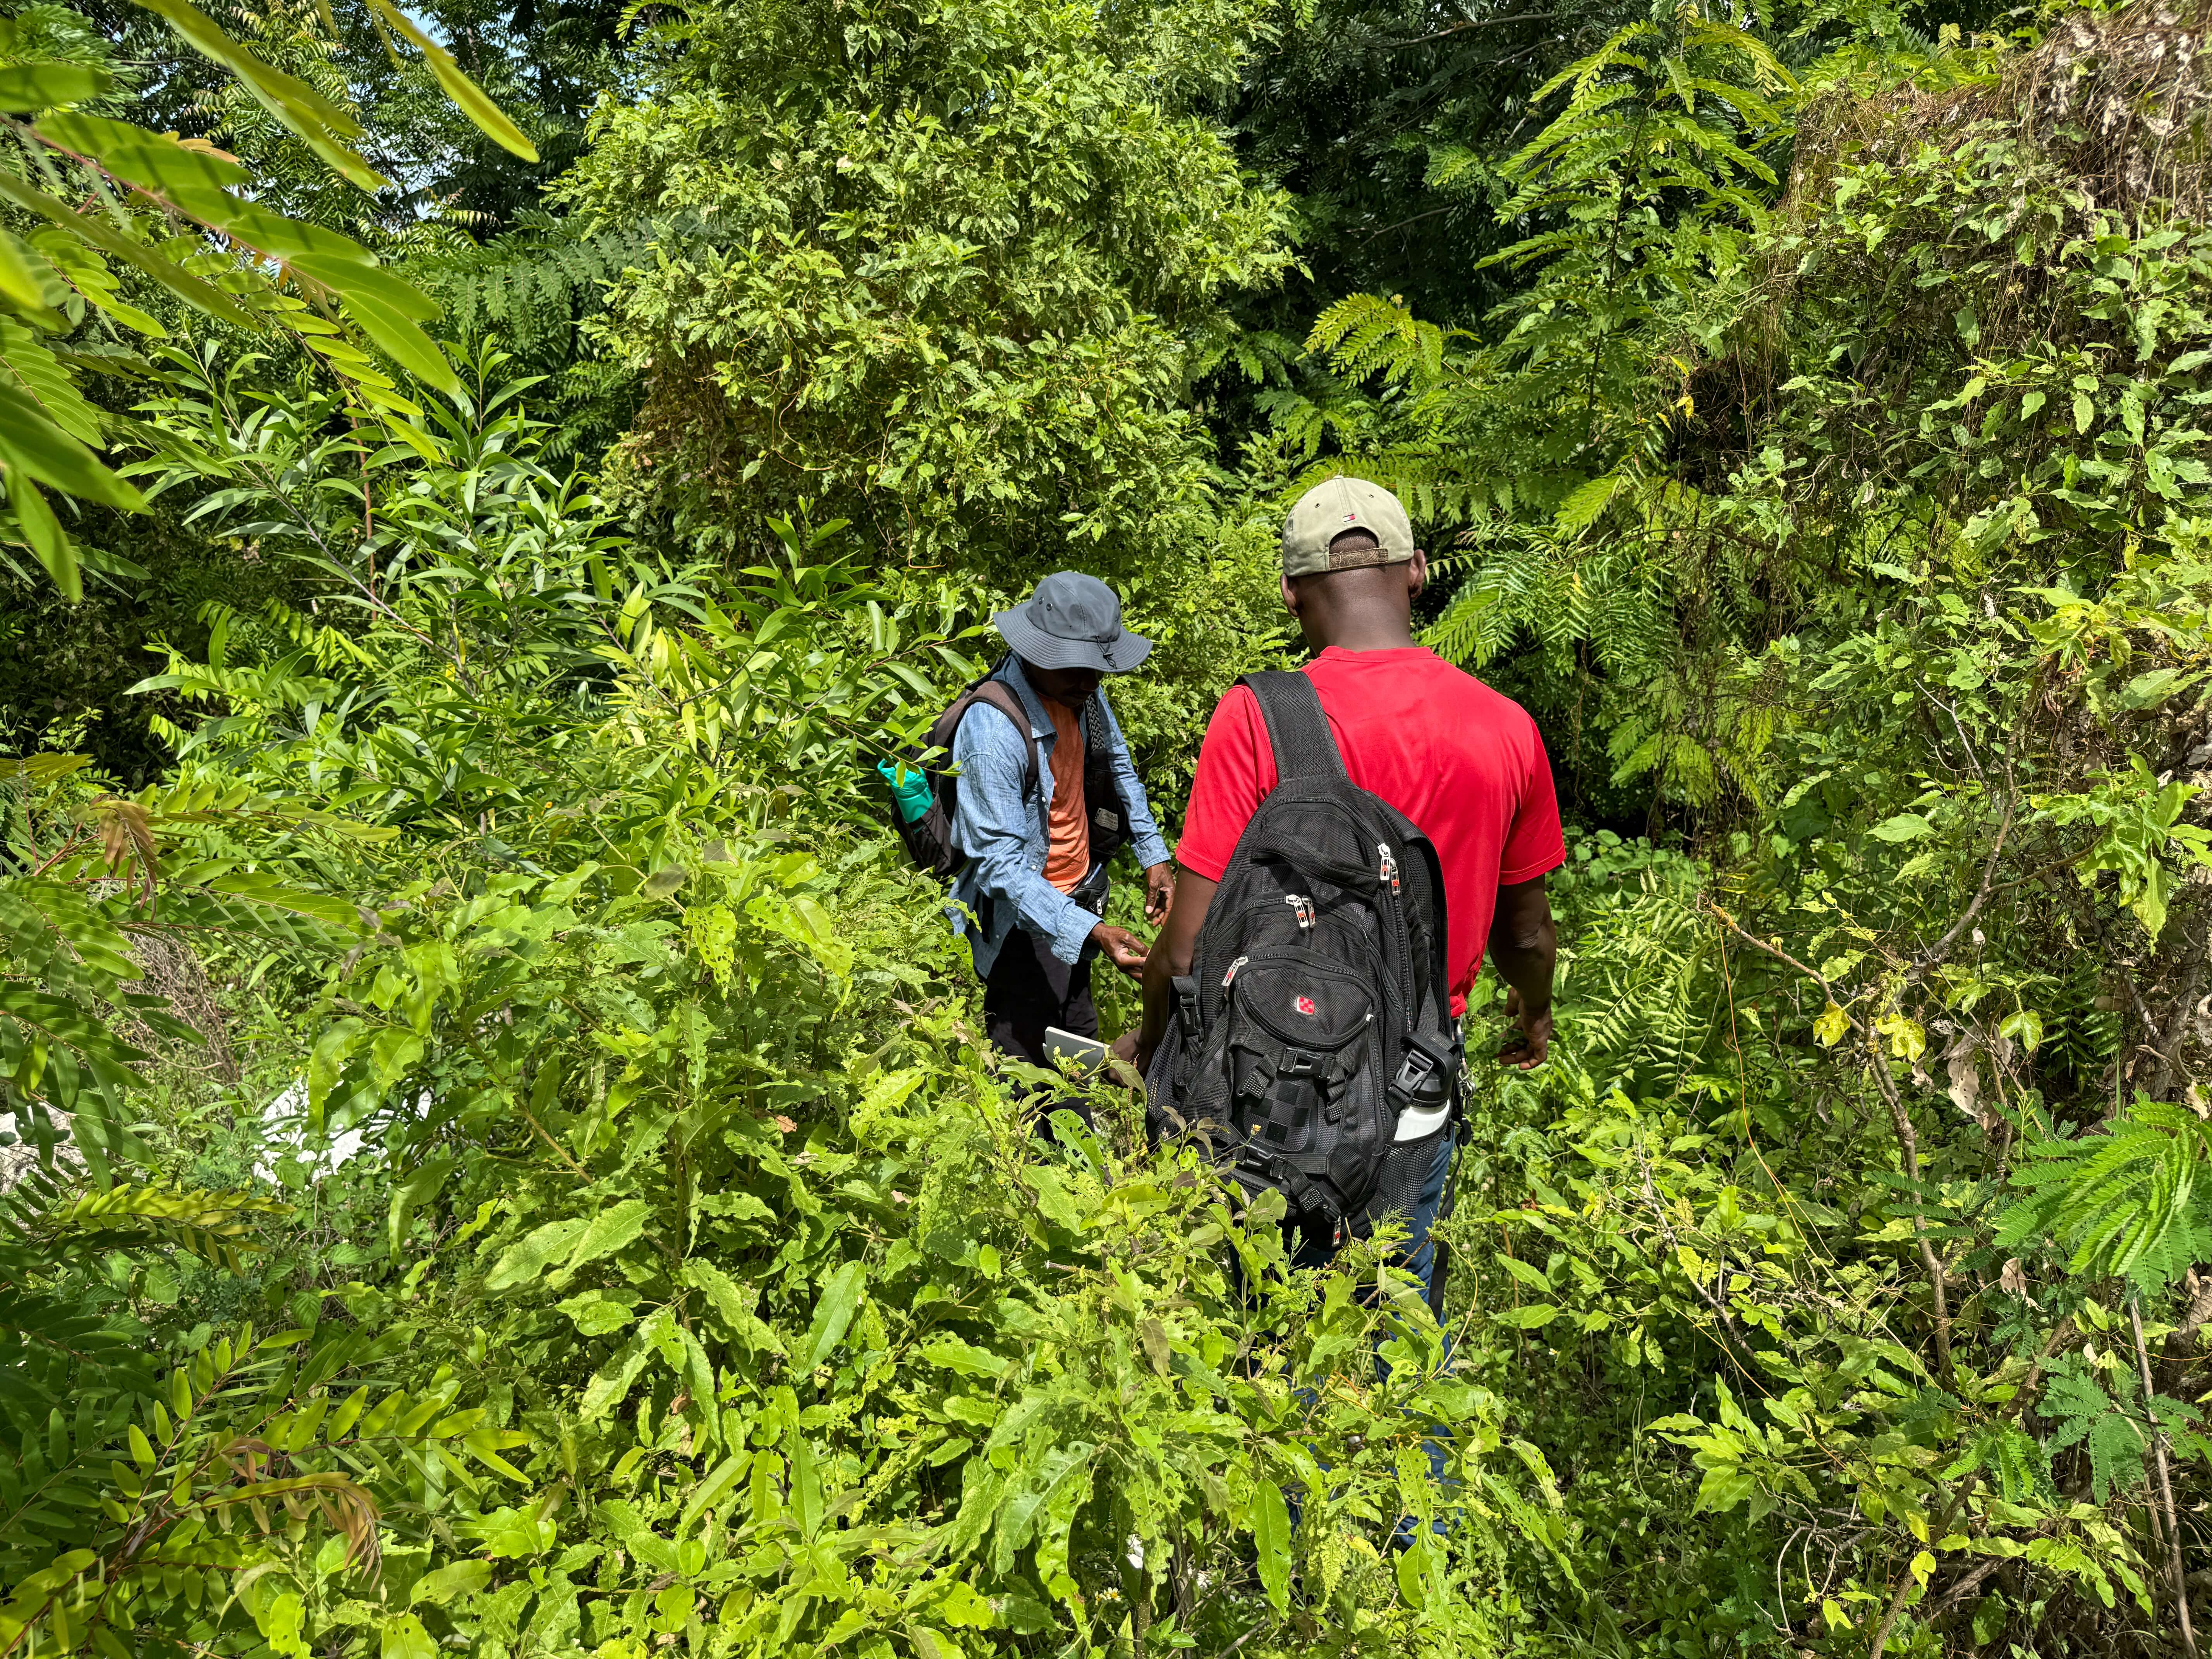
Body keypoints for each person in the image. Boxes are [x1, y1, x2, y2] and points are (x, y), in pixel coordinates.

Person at [1117, 476, 1563, 1296]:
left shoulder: (1258, 717)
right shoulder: (1506, 727)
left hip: (1275, 1082)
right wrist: (1533, 1012)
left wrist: (1147, 1048)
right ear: (1419, 571)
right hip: (1417, 1083)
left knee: (1270, 1333)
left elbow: (1186, 943)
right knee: (1396, 1328)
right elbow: (1528, 933)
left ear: (1290, 590)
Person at [951, 570, 1176, 1072]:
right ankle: (1033, 1148)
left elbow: (1117, 761)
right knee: (1027, 1069)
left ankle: (1074, 1140)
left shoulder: (1080, 692)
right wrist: (1093, 932)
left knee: (1077, 1047)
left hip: (1078, 899)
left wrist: (1153, 854)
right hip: (1022, 925)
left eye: (1099, 669)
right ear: (1037, 652)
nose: (1093, 682)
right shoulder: (992, 733)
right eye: (1078, 668)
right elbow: (1001, 871)